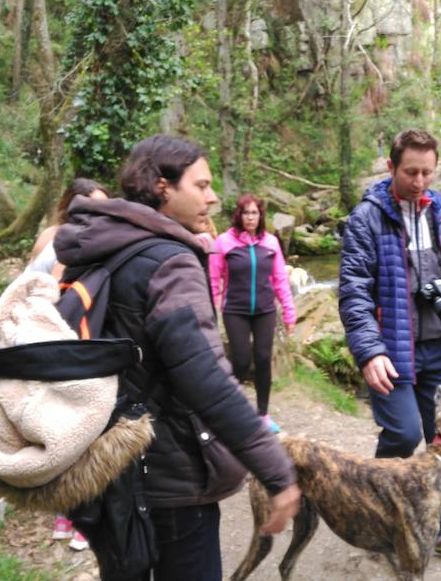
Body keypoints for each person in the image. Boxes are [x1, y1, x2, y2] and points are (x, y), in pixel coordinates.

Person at [54, 135, 300, 580]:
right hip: (172, 479)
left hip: (108, 468)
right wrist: (274, 466)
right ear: (163, 186)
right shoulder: (171, 262)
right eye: (201, 185)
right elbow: (203, 375)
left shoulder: (101, 247)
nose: (212, 196)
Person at [338, 129, 441, 570]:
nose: (421, 180)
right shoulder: (366, 219)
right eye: (411, 172)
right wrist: (369, 351)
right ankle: (382, 523)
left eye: (428, 171)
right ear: (391, 167)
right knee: (405, 435)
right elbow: (353, 291)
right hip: (392, 351)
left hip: (440, 349)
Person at [26, 177, 108, 553]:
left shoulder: (51, 233)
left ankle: (64, 512)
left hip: (35, 339)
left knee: (58, 425)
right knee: (76, 428)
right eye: (93, 206)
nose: (102, 213)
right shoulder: (71, 243)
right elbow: (60, 296)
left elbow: (24, 282)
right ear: (72, 207)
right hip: (61, 343)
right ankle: (75, 516)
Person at [209, 195, 296, 434]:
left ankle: (262, 414)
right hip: (235, 310)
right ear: (239, 215)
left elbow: (280, 280)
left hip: (265, 310)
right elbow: (214, 280)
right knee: (241, 360)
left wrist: (289, 313)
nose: (250, 217)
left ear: (260, 216)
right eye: (246, 213)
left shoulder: (270, 242)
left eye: (254, 213)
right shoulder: (224, 242)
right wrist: (209, 310)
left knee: (263, 358)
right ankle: (234, 410)